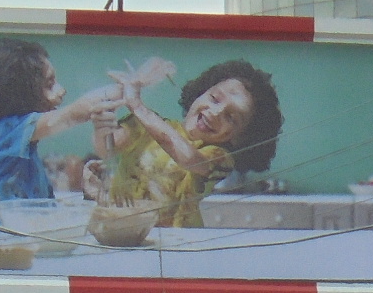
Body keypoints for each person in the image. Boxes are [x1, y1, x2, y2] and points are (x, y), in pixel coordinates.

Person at [94, 55, 285, 228]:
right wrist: (104, 115)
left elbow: (188, 158)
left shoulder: (219, 157)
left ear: (240, 138)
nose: (215, 113)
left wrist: (137, 105)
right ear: (200, 93)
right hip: (123, 230)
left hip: (177, 241)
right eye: (214, 98)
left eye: (231, 117)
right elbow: (108, 147)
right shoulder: (146, 126)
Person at [0, 38, 120, 200]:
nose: (61, 91)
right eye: (49, 85)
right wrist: (123, 90)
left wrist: (89, 194)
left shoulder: (25, 152)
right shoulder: (0, 132)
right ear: (19, 92)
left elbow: (42, 207)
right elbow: (72, 114)